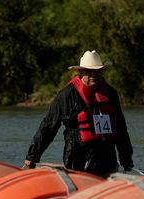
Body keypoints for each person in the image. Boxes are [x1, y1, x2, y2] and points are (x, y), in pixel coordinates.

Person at [23, 50, 134, 178]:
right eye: (89, 71)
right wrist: (32, 156)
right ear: (80, 72)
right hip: (77, 162)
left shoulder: (110, 93)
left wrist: (126, 159)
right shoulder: (66, 95)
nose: (94, 74)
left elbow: (120, 128)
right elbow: (49, 126)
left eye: (97, 70)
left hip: (107, 163)